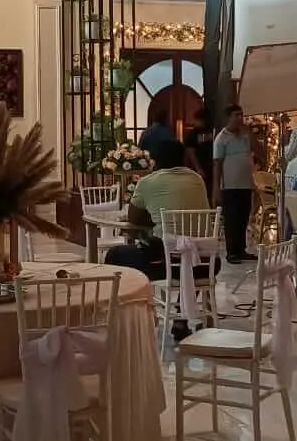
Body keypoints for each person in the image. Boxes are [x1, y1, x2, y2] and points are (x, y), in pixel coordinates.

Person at [104, 138, 213, 341]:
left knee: (115, 255)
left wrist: (156, 216)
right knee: (187, 253)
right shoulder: (197, 179)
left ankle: (131, 316)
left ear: (155, 161)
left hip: (165, 264)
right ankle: (180, 318)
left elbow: (134, 218)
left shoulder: (148, 182)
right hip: (205, 264)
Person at [213, 104, 256, 263]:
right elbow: (217, 164)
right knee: (232, 219)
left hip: (246, 184)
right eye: (236, 115)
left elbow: (259, 151)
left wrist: (250, 134)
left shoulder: (245, 136)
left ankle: (241, 249)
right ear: (228, 117)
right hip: (230, 185)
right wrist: (216, 187)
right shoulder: (221, 138)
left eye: (241, 115)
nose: (239, 118)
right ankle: (231, 252)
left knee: (243, 218)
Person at [183, 107, 214, 179]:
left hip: (211, 166)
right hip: (199, 168)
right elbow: (191, 153)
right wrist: (198, 168)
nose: (197, 122)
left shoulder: (212, 130)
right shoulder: (193, 134)